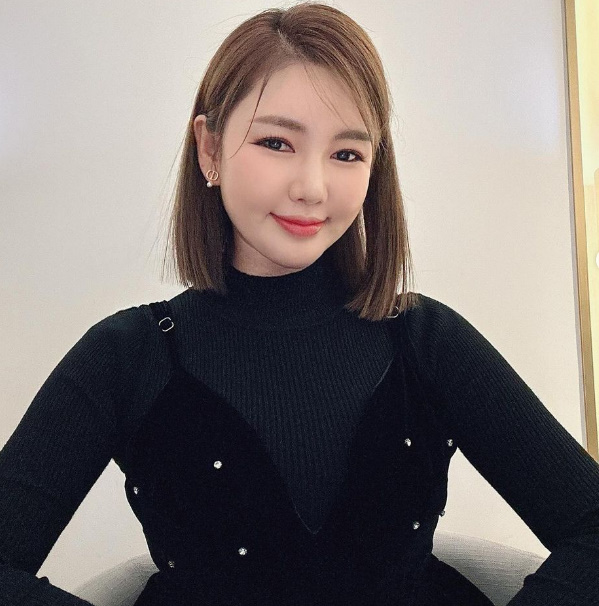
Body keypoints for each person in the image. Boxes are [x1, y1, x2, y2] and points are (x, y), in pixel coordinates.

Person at [1, 2, 599, 605]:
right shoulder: (127, 357)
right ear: (209, 149)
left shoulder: (425, 339)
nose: (312, 187)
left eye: (347, 153)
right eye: (276, 142)